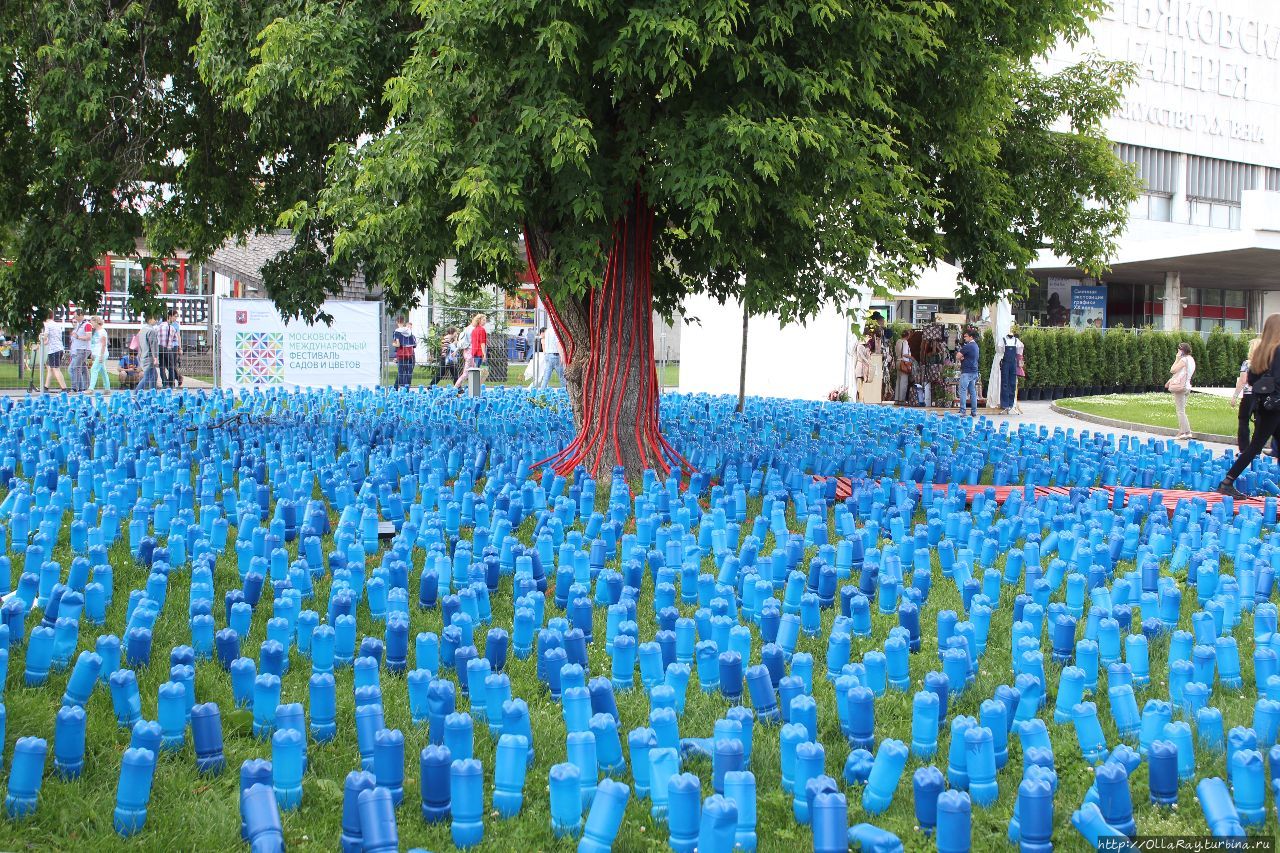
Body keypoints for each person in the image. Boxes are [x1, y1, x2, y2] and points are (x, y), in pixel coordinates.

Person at [1220, 314, 1280, 498]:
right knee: (1255, 447)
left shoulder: (1261, 351)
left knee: (1258, 445)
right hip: (1276, 406)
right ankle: (1227, 481)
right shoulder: (1278, 350)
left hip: (1262, 404)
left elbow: (1252, 380)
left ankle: (1227, 481)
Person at [1231, 338, 1280, 459]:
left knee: (1243, 421)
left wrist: (1235, 396)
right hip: (1263, 397)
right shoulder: (1269, 364)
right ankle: (1255, 450)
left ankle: (1244, 449)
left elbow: (1243, 380)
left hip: (1248, 395)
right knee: (1259, 423)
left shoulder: (1247, 363)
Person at [1166, 342, 1195, 440]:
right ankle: (1182, 432)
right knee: (1182, 410)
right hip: (1187, 386)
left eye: (1179, 350)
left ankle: (1186, 432)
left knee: (1180, 411)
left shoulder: (1183, 360)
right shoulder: (1191, 359)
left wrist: (1177, 358)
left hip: (1181, 387)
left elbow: (1173, 370)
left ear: (1182, 351)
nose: (1177, 351)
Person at [454, 313, 488, 390]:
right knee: (469, 372)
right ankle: (456, 388)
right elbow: (482, 343)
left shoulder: (470, 328)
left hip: (470, 352)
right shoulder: (477, 329)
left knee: (473, 371)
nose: (485, 322)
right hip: (472, 353)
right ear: (479, 320)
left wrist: (456, 350)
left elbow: (462, 341)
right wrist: (484, 354)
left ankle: (470, 388)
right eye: (483, 320)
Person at [39, 310, 68, 392]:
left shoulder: (47, 324)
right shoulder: (56, 325)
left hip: (54, 350)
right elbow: (51, 338)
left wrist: (40, 337)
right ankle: (46, 387)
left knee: (55, 368)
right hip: (59, 348)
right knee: (50, 367)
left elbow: (45, 336)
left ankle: (64, 388)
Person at [998, 327, 1024, 413]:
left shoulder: (1016, 341)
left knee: (1012, 383)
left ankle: (1011, 403)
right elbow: (1000, 350)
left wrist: (1020, 360)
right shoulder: (1003, 340)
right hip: (1005, 363)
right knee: (1005, 383)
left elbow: (1021, 349)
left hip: (1013, 363)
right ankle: (1004, 404)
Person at [68, 308, 93, 392]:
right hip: (79, 349)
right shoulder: (79, 324)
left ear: (81, 315)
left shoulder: (87, 325)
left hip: (83, 349)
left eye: (76, 315)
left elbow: (89, 337)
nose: (75, 317)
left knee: (75, 367)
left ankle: (75, 388)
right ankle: (85, 387)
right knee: (83, 368)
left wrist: (78, 337)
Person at [956, 328, 980, 417]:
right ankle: (974, 411)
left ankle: (962, 411)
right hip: (974, 371)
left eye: (966, 336)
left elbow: (958, 356)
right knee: (972, 392)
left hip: (966, 371)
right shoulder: (976, 346)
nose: (964, 338)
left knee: (962, 390)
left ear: (971, 337)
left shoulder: (968, 346)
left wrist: (962, 358)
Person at [158, 309, 182, 388]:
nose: (175, 319)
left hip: (161, 347)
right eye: (175, 316)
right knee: (171, 366)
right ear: (169, 317)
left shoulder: (159, 326)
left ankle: (165, 383)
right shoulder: (172, 327)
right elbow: (176, 337)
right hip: (170, 347)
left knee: (163, 366)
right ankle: (172, 383)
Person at [136, 316, 161, 391]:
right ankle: (136, 393)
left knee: (154, 376)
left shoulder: (142, 330)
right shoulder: (152, 331)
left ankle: (153, 394)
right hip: (149, 357)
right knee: (148, 377)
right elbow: (153, 345)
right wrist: (155, 358)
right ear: (149, 319)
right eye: (154, 318)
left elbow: (139, 345)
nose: (156, 320)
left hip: (143, 356)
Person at [538, 323, 566, 389]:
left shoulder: (548, 331)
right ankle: (565, 390)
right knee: (561, 376)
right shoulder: (556, 331)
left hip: (548, 355)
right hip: (555, 355)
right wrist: (562, 356)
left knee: (546, 376)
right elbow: (558, 343)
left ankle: (542, 390)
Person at [87, 316, 111, 391]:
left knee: (94, 369)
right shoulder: (95, 331)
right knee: (103, 372)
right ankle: (107, 389)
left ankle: (91, 389)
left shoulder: (102, 331)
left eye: (92, 322)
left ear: (96, 322)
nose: (91, 324)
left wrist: (101, 355)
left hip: (101, 354)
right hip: (97, 354)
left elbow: (104, 344)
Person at [392, 317, 417, 388]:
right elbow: (414, 344)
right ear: (404, 322)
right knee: (408, 373)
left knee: (401, 373)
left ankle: (400, 388)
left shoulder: (397, 332)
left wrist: (393, 344)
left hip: (401, 354)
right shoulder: (409, 331)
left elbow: (398, 344)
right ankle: (406, 388)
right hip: (410, 354)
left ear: (397, 322)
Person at [894, 333, 914, 403]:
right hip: (903, 363)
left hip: (898, 362)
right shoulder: (905, 342)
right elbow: (904, 354)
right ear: (908, 336)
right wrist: (911, 358)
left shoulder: (898, 341)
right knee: (904, 382)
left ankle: (896, 399)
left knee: (898, 381)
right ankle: (901, 400)